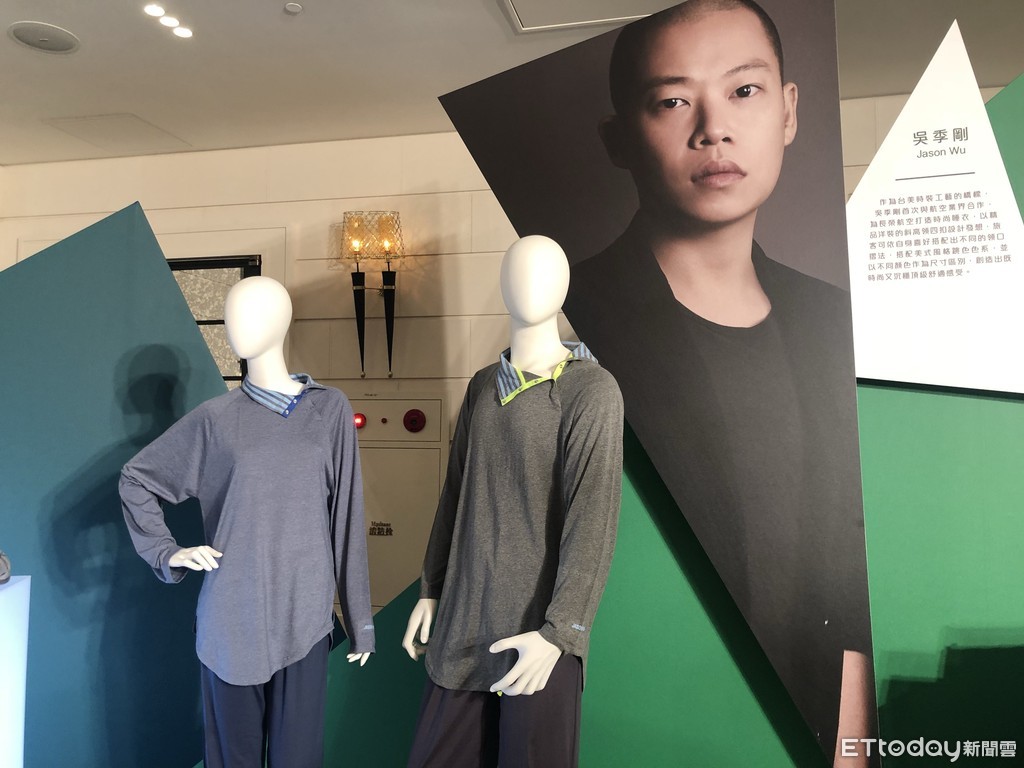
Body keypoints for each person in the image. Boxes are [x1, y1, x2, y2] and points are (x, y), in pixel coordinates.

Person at [561, 2, 874, 764]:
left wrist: (853, 738)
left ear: (788, 111)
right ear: (619, 139)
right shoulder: (572, 320)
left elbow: (851, 556)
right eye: (673, 101)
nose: (714, 130)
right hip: (650, 715)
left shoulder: (837, 320)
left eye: (743, 91)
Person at [119, 276, 373, 768]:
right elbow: (137, 479)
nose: (236, 325)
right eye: (230, 312)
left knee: (297, 759)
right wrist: (168, 551)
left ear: (283, 320)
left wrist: (360, 619)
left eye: (251, 312)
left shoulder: (328, 409)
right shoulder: (214, 420)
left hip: (303, 615)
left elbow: (347, 516)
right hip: (230, 621)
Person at [402, 236, 624, 768]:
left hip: (538, 639)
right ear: (501, 284)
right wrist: (431, 588)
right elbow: (456, 493)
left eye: (546, 274)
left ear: (565, 288)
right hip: (462, 626)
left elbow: (592, 522)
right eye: (519, 272)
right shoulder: (482, 386)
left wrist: (562, 631)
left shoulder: (590, 390)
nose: (531, 285)